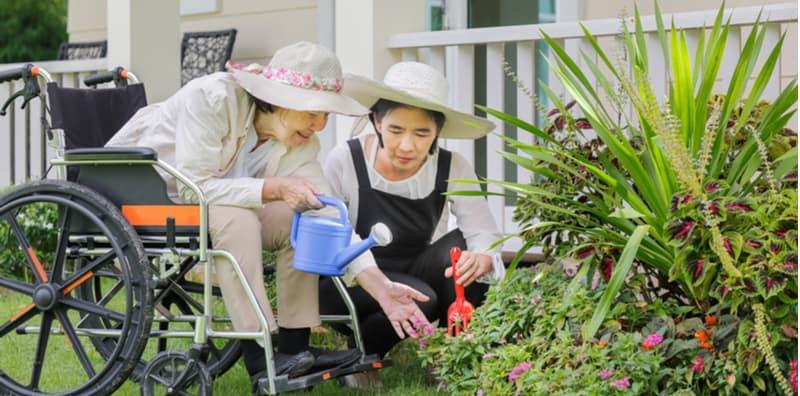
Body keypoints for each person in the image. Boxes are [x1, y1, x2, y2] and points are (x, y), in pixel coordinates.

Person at [105, 42, 430, 386]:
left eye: (326, 115)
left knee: (304, 219)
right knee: (239, 217)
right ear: (280, 100)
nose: (319, 125)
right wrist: (272, 188)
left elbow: (328, 214)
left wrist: (381, 288)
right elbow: (193, 187)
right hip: (151, 197)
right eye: (312, 112)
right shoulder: (213, 98)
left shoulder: (299, 141)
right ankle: (261, 355)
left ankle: (294, 348)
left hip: (214, 206)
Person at [320, 61, 506, 386]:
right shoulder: (345, 160)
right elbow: (329, 235)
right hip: (348, 280)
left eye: (422, 133)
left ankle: (453, 357)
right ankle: (363, 357)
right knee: (423, 298)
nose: (407, 146)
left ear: (438, 132)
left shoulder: (452, 166)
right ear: (376, 121)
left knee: (466, 250)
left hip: (413, 270)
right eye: (395, 130)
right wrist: (377, 282)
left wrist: (484, 257)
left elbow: (482, 230)